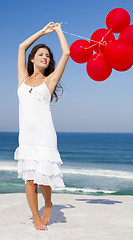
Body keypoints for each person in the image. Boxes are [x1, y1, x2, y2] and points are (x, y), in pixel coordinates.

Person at [14, 22, 70, 231]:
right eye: (41, 54)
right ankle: (36, 218)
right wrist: (42, 32)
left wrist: (58, 31)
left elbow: (66, 53)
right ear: (32, 58)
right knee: (30, 180)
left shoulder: (50, 81)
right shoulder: (22, 79)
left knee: (44, 179)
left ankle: (48, 203)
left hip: (45, 136)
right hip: (26, 138)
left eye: (47, 56)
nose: (45, 58)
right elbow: (21, 46)